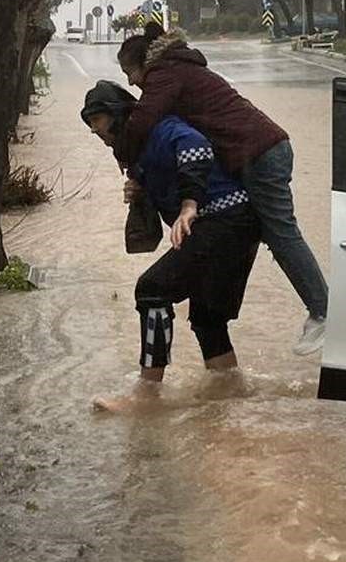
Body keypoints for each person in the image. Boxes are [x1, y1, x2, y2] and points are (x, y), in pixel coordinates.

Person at [114, 24, 328, 355]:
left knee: (281, 233)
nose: (131, 82)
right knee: (273, 232)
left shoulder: (166, 73)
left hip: (260, 153)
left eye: (130, 72)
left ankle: (324, 311)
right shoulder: (180, 68)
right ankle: (320, 311)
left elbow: (142, 120)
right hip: (262, 151)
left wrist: (123, 154)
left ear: (145, 63)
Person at [81, 80, 261, 413]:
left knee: (152, 289)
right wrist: (141, 193)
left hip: (225, 220)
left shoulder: (163, 130)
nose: (104, 139)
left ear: (122, 118)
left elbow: (197, 148)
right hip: (238, 225)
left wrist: (190, 203)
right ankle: (231, 393)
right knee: (207, 318)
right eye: (98, 135)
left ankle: (147, 394)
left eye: (106, 130)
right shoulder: (138, 152)